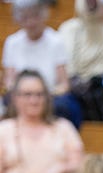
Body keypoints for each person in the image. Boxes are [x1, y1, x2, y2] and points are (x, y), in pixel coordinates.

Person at [2, 0, 83, 129]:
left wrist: (42, 96)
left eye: (35, 16)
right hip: (21, 96)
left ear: (43, 15)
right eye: (25, 17)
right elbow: (9, 82)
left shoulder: (56, 41)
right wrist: (24, 95)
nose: (30, 22)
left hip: (50, 97)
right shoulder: (12, 43)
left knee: (66, 106)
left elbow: (64, 84)